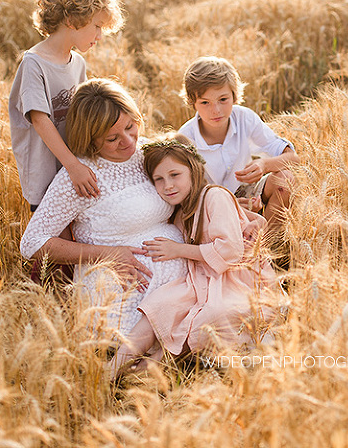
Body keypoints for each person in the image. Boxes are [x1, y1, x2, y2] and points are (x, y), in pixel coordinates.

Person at [20, 79, 186, 335]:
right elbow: (32, 243)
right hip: (118, 291)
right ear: (91, 140)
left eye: (130, 126)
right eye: (112, 138)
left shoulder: (148, 153)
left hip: (180, 281)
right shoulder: (80, 177)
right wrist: (107, 254)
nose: (127, 141)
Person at [109, 134, 282, 378]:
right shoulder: (180, 210)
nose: (168, 185)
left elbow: (230, 250)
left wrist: (177, 249)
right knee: (159, 304)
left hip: (236, 276)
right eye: (159, 179)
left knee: (212, 314)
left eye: (175, 175)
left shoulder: (214, 196)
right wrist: (257, 220)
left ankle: (150, 370)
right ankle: (110, 370)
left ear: (193, 171)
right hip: (203, 276)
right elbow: (247, 217)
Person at [8, 0, 125, 211]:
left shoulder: (77, 63)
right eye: (97, 26)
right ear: (72, 20)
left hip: (73, 168)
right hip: (46, 173)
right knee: (54, 231)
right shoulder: (34, 63)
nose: (100, 36)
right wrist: (73, 166)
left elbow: (83, 115)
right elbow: (40, 120)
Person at [177, 56, 299, 236]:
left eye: (223, 99)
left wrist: (263, 165)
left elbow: (293, 159)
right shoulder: (185, 138)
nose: (216, 110)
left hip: (246, 190)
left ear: (234, 96)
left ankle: (266, 245)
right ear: (192, 102)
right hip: (209, 202)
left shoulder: (244, 118)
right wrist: (230, 205)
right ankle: (237, 245)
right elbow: (187, 198)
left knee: (285, 180)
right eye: (205, 102)